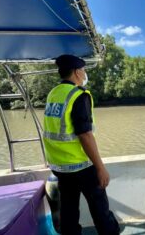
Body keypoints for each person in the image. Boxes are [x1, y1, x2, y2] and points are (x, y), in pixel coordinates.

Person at [43, 54, 120, 235]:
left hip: (60, 166)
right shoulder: (78, 95)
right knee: (100, 209)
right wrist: (100, 168)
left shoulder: (53, 94)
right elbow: (85, 135)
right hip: (81, 166)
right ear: (77, 72)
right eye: (84, 70)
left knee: (68, 212)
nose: (84, 74)